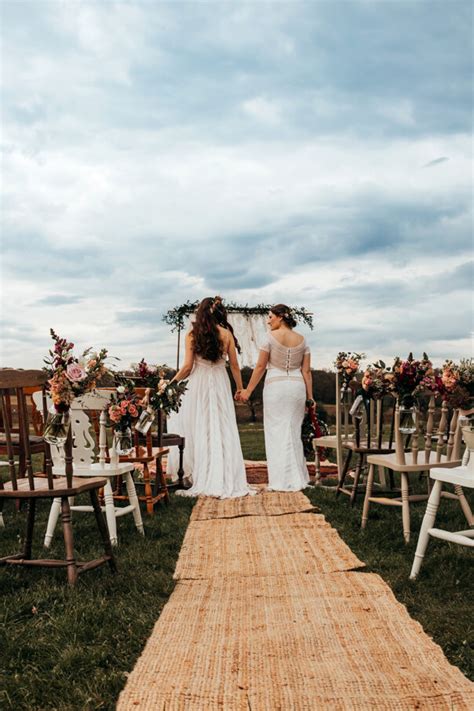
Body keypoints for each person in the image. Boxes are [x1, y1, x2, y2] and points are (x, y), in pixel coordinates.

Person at [167, 296, 255, 499]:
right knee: (222, 426)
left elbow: (188, 367)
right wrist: (240, 388)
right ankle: (224, 475)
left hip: (199, 383)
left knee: (200, 427)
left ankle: (204, 473)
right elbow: (234, 365)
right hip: (220, 380)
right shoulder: (227, 334)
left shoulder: (192, 334)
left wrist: (171, 385)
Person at [238, 304, 313, 491]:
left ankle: (281, 480)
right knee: (293, 431)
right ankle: (297, 478)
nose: (268, 320)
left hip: (276, 387)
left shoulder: (270, 338)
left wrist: (248, 390)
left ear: (280, 317)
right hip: (297, 387)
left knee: (276, 431)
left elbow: (261, 367)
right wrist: (310, 397)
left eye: (270, 316)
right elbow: (306, 371)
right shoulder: (303, 340)